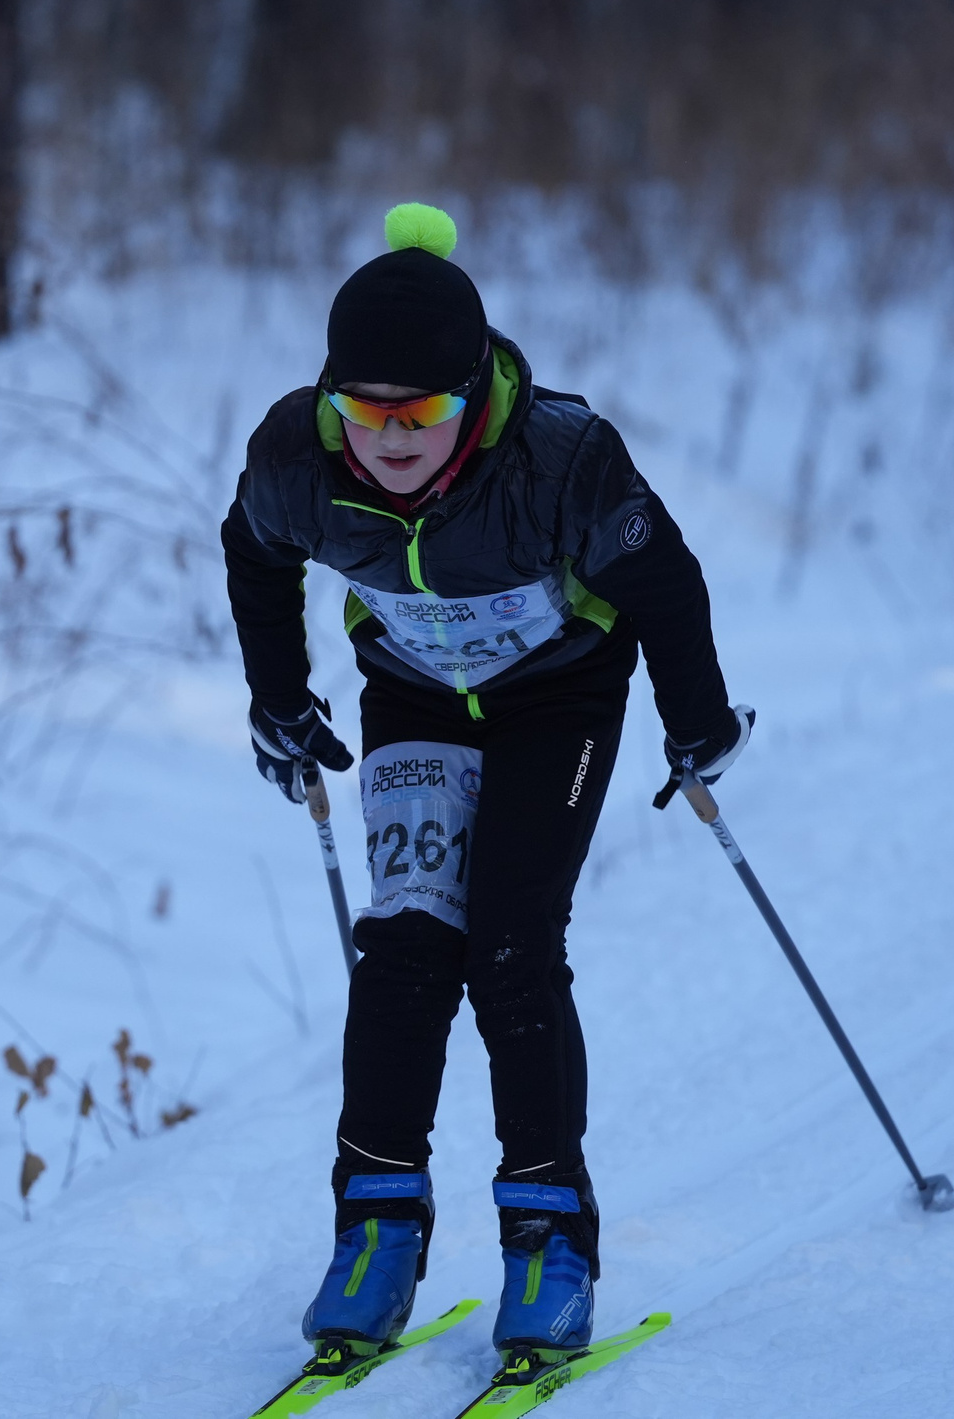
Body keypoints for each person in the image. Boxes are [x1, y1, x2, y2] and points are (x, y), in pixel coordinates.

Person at [221, 203, 752, 1379]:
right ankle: (376, 1230)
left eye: (422, 413)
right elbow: (252, 552)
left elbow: (663, 583)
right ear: (331, 399)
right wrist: (278, 698)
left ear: (473, 396)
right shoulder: (295, 460)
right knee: (407, 944)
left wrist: (698, 721)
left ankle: (548, 1242)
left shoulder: (561, 461)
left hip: (555, 700)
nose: (393, 438)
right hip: (411, 694)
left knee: (510, 945)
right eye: (366, 411)